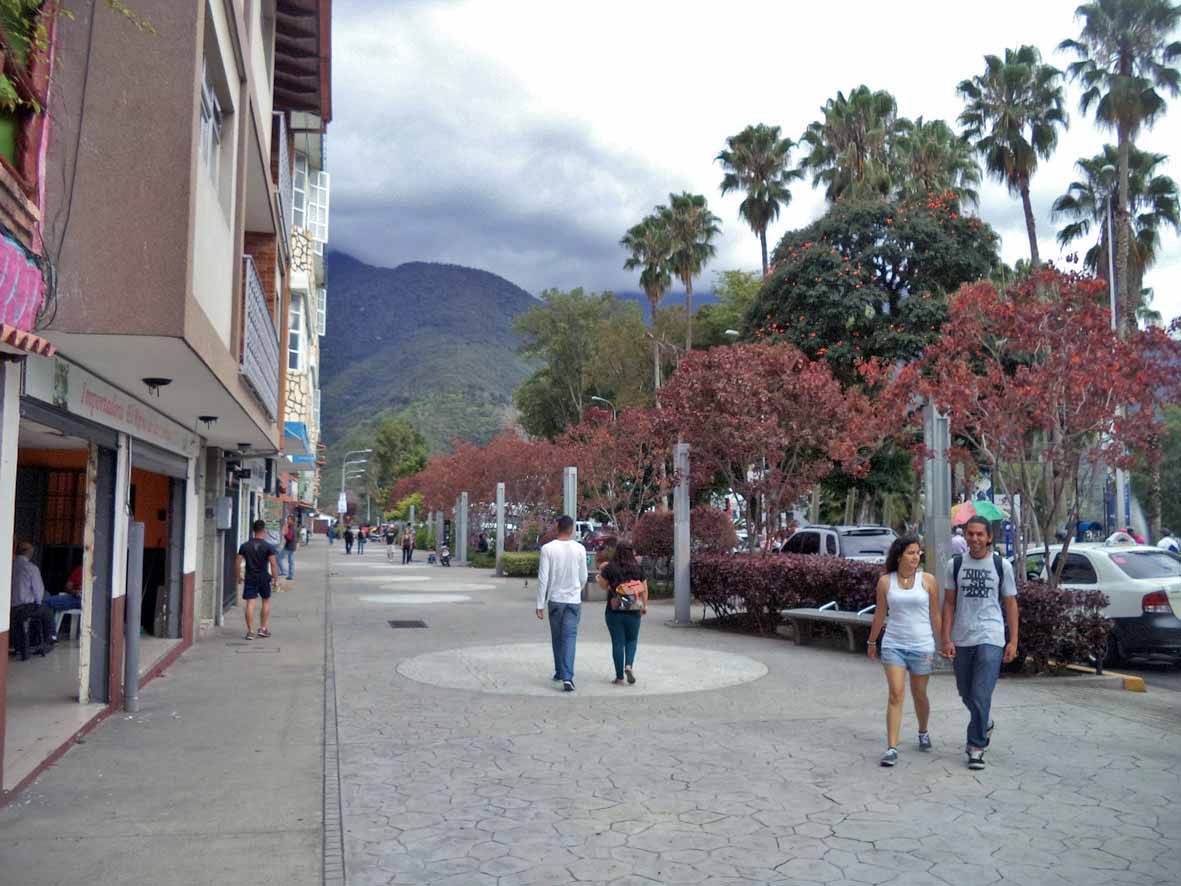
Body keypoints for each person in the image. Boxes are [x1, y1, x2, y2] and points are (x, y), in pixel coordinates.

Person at [940, 515, 1019, 771]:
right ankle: (984, 721)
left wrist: (1013, 640)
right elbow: (949, 603)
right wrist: (946, 637)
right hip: (963, 636)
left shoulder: (1001, 565)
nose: (974, 539)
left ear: (989, 537)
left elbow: (1010, 603)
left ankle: (976, 746)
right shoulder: (955, 564)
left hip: (991, 635)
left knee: (981, 692)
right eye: (970, 534)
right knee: (966, 692)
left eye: (979, 534)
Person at [867, 536, 941, 766]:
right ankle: (891, 748)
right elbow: (880, 614)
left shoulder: (928, 580)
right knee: (896, 694)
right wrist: (872, 642)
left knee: (919, 694)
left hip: (922, 645)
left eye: (918, 553)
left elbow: (935, 615)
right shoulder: (885, 582)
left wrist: (945, 642)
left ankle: (922, 730)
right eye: (911, 552)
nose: (916, 557)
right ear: (899, 556)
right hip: (894, 645)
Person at [535, 515, 588, 692]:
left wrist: (540, 603)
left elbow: (543, 578)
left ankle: (560, 671)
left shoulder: (547, 549)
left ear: (557, 527)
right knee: (570, 637)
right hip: (573, 600)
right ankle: (567, 676)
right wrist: (577, 590)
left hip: (555, 599)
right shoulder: (580, 549)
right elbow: (584, 577)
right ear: (572, 529)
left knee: (557, 636)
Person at [597, 543, 648, 686]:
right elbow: (644, 588)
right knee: (632, 640)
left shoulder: (610, 568)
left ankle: (619, 678)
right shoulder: (638, 568)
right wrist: (644, 606)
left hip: (614, 611)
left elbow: (602, 586)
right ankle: (629, 666)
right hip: (633, 609)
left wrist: (602, 571)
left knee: (618, 642)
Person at [236, 519, 281, 640]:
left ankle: (250, 632)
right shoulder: (268, 546)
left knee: (250, 603)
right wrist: (276, 580)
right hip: (264, 577)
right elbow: (273, 564)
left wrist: (238, 576)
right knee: (265, 602)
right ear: (264, 531)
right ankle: (263, 628)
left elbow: (238, 561)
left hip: (250, 577)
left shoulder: (244, 546)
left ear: (253, 530)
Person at [11, 541, 54, 658]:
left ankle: (23, 644)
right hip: (25, 608)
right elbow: (38, 591)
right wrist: (39, 604)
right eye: (31, 549)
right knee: (48, 612)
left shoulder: (11, 565)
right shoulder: (31, 568)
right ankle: (47, 642)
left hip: (10, 609)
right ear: (28, 552)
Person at [45, 560, 84, 641]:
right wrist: (74, 591)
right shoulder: (80, 569)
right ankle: (52, 637)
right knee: (48, 601)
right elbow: (67, 586)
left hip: (93, 601)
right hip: (76, 598)